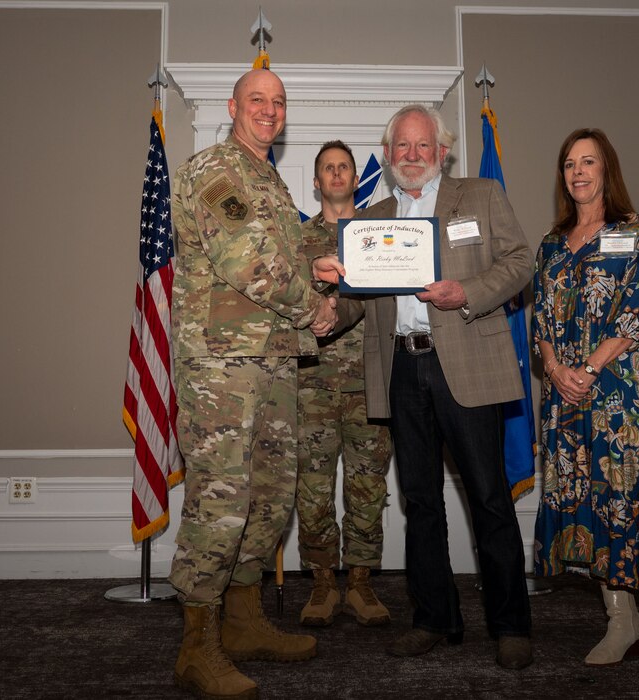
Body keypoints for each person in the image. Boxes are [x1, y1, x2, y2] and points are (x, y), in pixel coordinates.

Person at [167, 68, 339, 699]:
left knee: (268, 499)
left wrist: (312, 267)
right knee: (220, 504)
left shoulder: (267, 180)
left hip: (271, 364)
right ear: (233, 106)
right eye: (258, 101)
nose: (270, 111)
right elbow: (248, 266)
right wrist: (313, 306)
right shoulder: (214, 171)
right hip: (222, 371)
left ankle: (241, 623)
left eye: (279, 103)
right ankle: (197, 648)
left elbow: (278, 262)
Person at [353, 104, 534, 668]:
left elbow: (522, 260)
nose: (412, 156)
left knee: (489, 497)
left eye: (422, 146)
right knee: (420, 501)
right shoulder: (374, 216)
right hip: (403, 369)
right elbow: (356, 301)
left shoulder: (479, 196)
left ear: (442, 151)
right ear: (387, 156)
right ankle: (434, 617)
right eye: (401, 147)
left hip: (467, 362)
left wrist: (470, 292)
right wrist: (328, 299)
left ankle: (511, 627)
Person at [532, 128, 639, 685]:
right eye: (569, 164)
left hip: (618, 394)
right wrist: (558, 371)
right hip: (564, 397)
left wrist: (588, 368)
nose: (578, 171)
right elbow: (541, 326)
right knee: (587, 502)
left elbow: (637, 313)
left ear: (608, 170)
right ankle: (622, 623)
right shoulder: (552, 246)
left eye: (589, 161)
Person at [296, 141, 393, 628]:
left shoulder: (377, 235)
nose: (336, 175)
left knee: (367, 489)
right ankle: (321, 582)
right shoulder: (296, 241)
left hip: (368, 384)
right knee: (312, 492)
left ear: (356, 179)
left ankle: (359, 582)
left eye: (344, 168)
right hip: (310, 387)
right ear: (316, 182)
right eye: (327, 169)